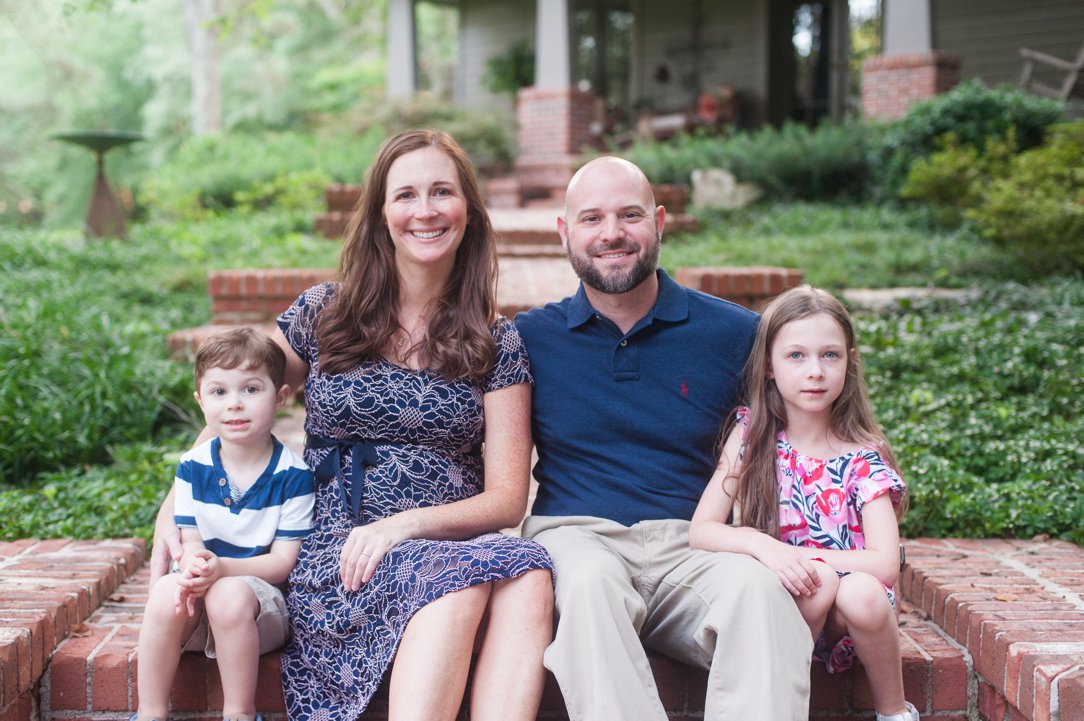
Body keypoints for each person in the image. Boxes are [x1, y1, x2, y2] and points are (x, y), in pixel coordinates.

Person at [150, 128, 555, 721]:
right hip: (340, 547)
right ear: (381, 214)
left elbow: (507, 499)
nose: (425, 210)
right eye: (406, 195)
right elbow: (239, 392)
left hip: (439, 538)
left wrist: (402, 527)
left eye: (442, 192)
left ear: (468, 211)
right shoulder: (326, 314)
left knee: (530, 575)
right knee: (462, 580)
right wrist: (177, 496)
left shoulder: (498, 343)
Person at [515, 156, 812, 721]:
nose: (611, 234)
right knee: (591, 586)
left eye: (629, 215)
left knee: (760, 594)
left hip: (695, 545)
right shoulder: (531, 338)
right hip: (578, 537)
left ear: (660, 222)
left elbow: (802, 439)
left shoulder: (735, 333)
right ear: (564, 232)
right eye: (592, 219)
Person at [689, 285, 916, 721]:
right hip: (785, 604)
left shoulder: (862, 455)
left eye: (829, 355)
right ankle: (781, 704)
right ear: (769, 366)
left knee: (860, 591)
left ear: (849, 362)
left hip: (853, 620)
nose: (815, 371)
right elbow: (702, 530)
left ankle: (894, 713)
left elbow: (885, 564)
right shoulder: (752, 436)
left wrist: (801, 556)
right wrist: (764, 547)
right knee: (822, 583)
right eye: (796, 356)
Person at [134, 327, 315, 721]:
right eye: (219, 392)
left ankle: (240, 714)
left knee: (228, 595)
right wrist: (197, 568)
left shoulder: (293, 476)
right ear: (201, 402)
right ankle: (149, 713)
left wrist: (224, 569)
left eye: (251, 390)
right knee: (167, 592)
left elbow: (282, 562)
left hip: (257, 613)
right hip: (198, 608)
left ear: (281, 398)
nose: (234, 404)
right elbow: (192, 541)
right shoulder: (192, 468)